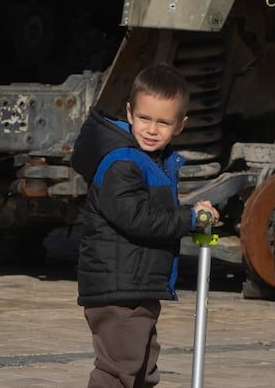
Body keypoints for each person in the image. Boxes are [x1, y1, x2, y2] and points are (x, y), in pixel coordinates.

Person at [71, 63, 219, 388]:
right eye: (144, 118)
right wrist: (190, 218)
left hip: (137, 286)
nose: (151, 129)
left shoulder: (154, 162)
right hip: (117, 290)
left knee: (141, 369)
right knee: (119, 371)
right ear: (129, 112)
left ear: (181, 125)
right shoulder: (122, 162)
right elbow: (138, 220)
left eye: (163, 122)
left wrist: (192, 217)